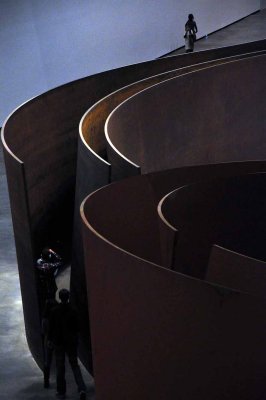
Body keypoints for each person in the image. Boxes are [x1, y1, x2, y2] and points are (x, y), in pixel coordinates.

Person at [48, 288, 86, 400]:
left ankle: (61, 392)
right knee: (75, 365)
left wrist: (50, 340)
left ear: (59, 297)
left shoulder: (54, 311)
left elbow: (51, 328)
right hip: (71, 342)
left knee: (60, 367)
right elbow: (78, 327)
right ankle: (82, 388)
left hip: (59, 343)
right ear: (68, 297)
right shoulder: (73, 310)